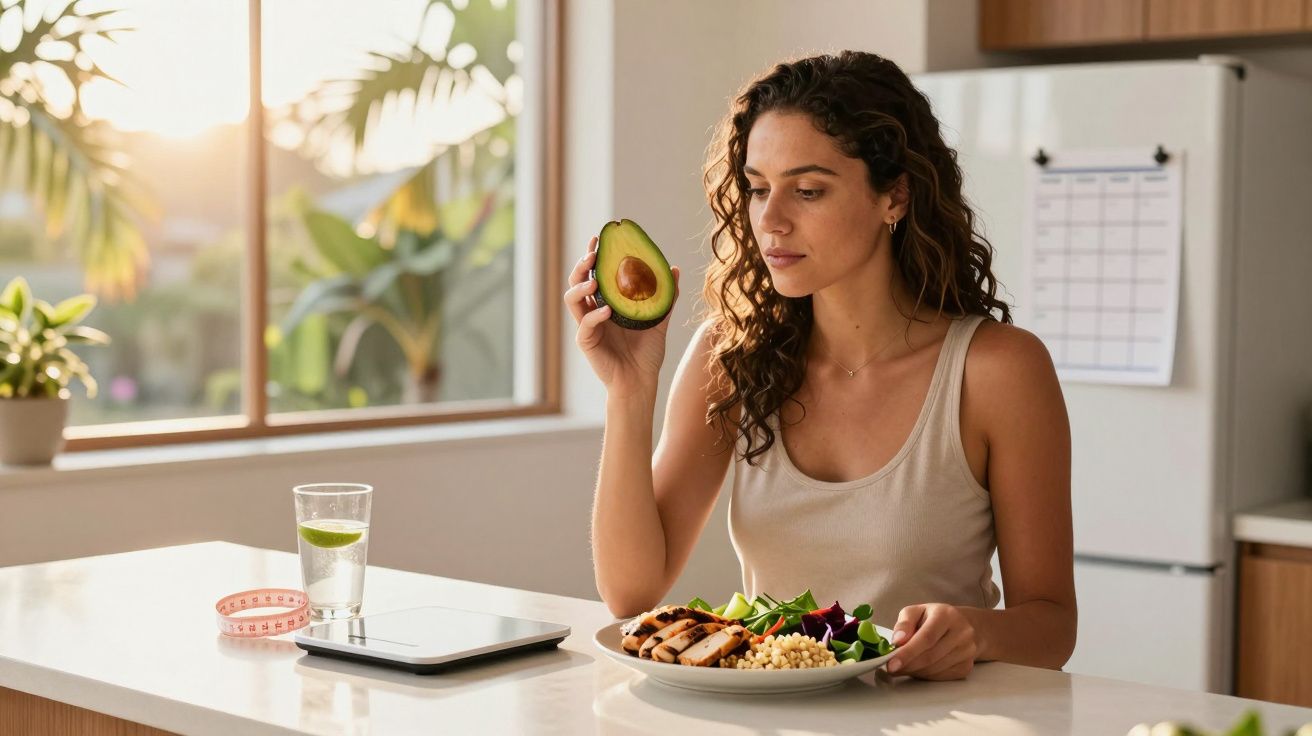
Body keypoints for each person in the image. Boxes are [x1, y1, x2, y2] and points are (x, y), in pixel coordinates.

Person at [564, 50, 1075, 681]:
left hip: (939, 716)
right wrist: (628, 390)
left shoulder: (997, 369)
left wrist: (975, 631)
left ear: (895, 195)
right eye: (757, 189)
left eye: (807, 191)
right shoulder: (732, 356)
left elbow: (1052, 626)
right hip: (769, 715)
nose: (771, 221)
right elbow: (630, 593)